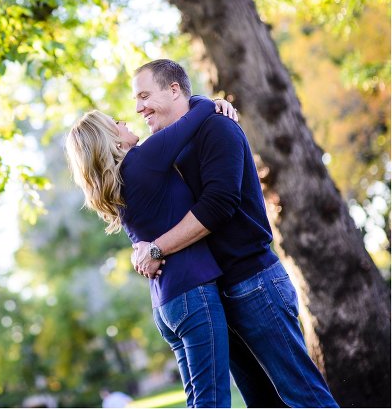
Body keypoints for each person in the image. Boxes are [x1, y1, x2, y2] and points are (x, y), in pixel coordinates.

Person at [129, 59, 338, 408]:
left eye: (145, 95)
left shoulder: (217, 128)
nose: (138, 107)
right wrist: (140, 245)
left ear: (175, 89)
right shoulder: (171, 144)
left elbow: (218, 206)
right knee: (261, 402)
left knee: (304, 396)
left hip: (254, 282)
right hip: (217, 294)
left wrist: (156, 250)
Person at [66, 95, 238, 408]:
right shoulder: (145, 159)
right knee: (212, 401)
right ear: (112, 141)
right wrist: (212, 100)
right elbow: (195, 114)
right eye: (115, 123)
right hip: (193, 293)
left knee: (199, 400)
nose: (124, 121)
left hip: (166, 305)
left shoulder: (117, 187)